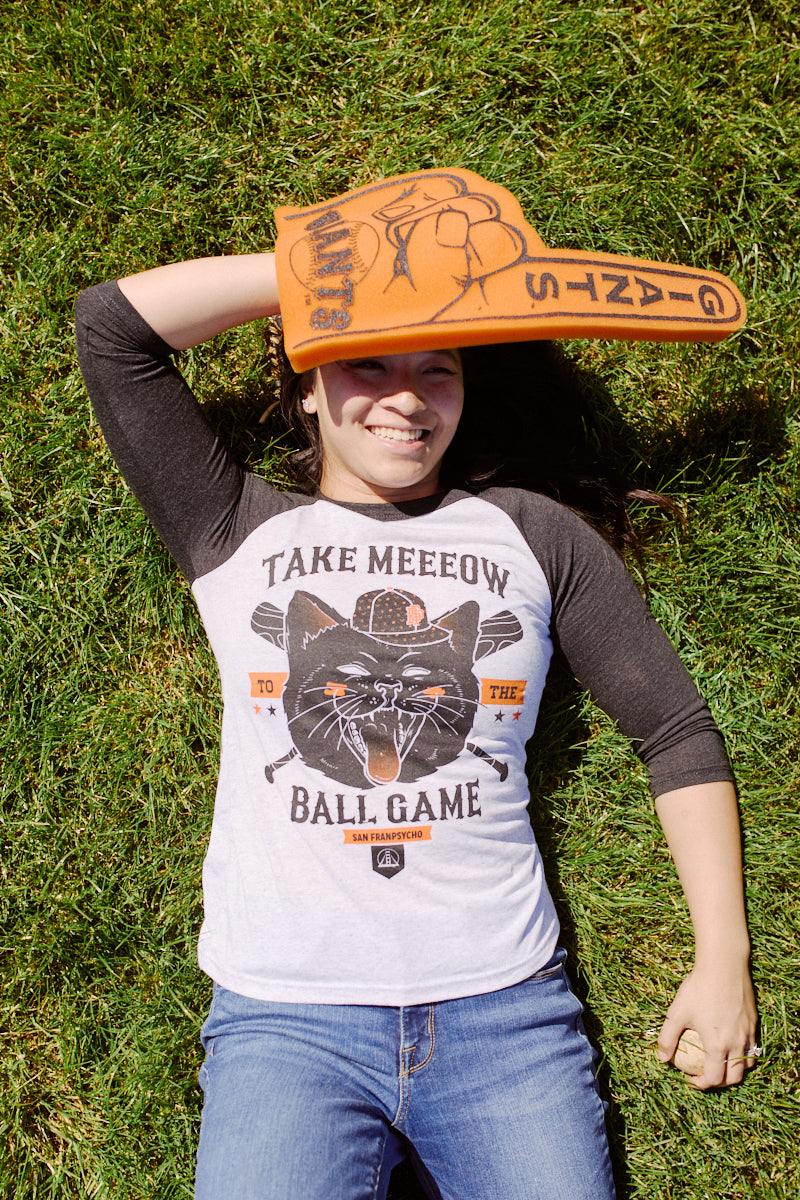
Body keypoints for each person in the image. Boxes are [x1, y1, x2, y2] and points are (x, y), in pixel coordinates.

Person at [75, 171, 757, 1200]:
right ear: (305, 383)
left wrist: (722, 963)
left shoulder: (533, 537)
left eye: (436, 368)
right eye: (364, 365)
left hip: (506, 1017)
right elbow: (113, 329)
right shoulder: (235, 529)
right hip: (283, 1024)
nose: (403, 396)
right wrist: (326, 286)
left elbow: (675, 733)